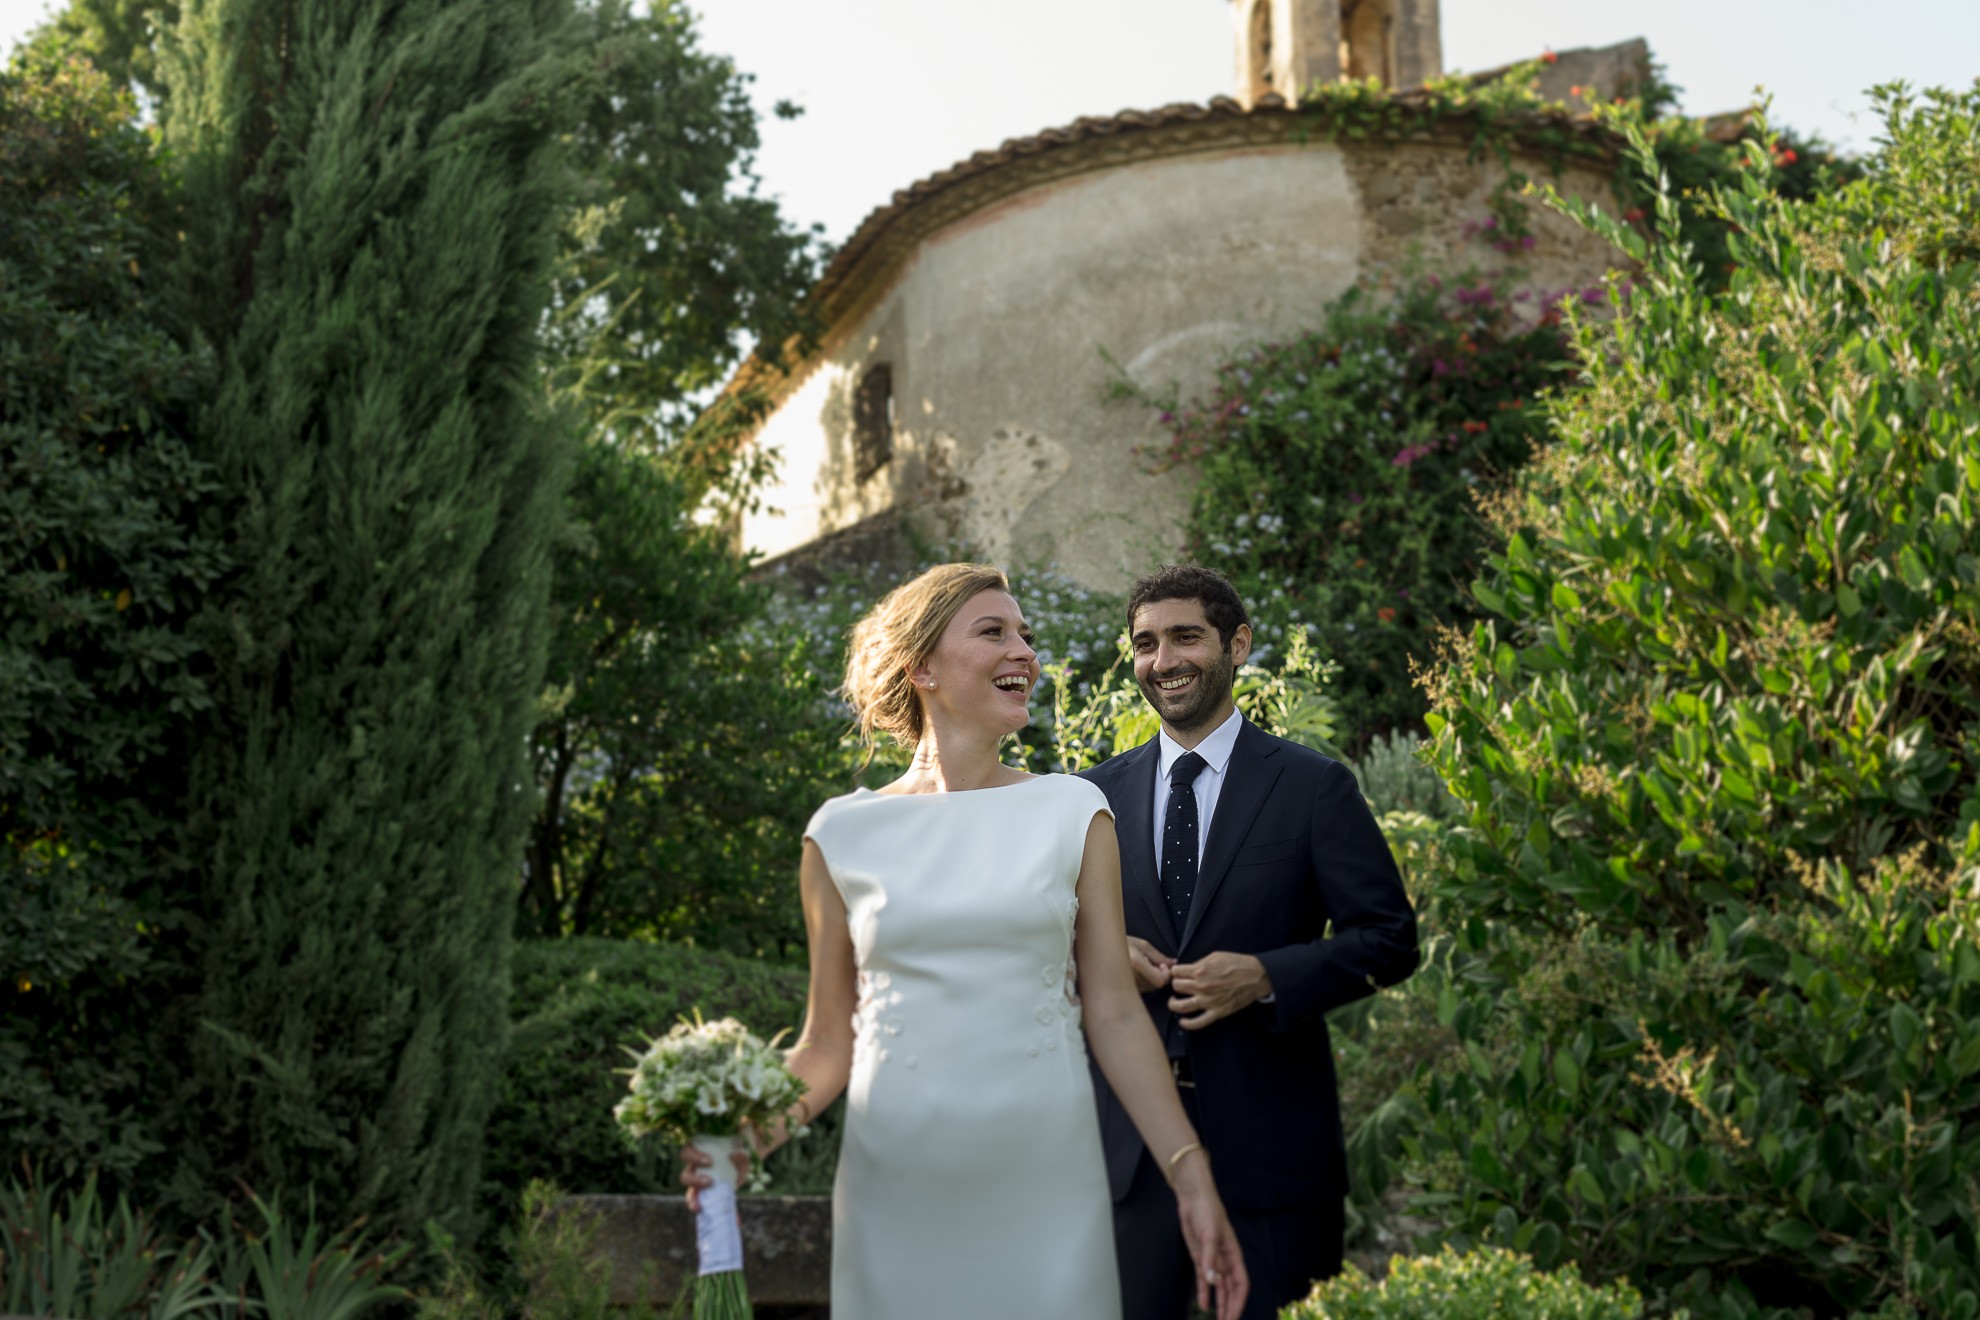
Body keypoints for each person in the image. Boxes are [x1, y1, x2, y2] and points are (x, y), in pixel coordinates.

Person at [680, 562, 1249, 1320]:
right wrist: (741, 1140)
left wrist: (1191, 1176)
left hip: (1047, 1184)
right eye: (994, 632)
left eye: (1026, 635)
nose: (1024, 652)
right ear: (921, 666)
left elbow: (1113, 1015)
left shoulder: (1075, 810)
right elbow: (825, 1048)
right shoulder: (840, 834)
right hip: (896, 1189)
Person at [1081, 565, 1419, 1320]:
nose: (1163, 660)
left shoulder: (1313, 787)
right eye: (1145, 644)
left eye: (1185, 637)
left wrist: (1267, 976)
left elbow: (1392, 939)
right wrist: (1100, 959)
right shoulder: (1087, 799)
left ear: (1237, 645)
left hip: (1274, 1154)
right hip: (1126, 1161)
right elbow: (1042, 951)